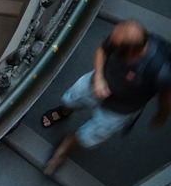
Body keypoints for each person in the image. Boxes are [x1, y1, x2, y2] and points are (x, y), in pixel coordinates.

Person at [41, 20, 171, 175]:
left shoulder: (161, 71)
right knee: (71, 98)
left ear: (129, 53)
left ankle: (66, 145)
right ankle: (65, 111)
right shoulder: (122, 39)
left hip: (121, 108)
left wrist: (161, 116)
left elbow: (166, 97)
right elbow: (102, 51)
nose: (110, 41)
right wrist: (99, 79)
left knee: (90, 136)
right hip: (99, 82)